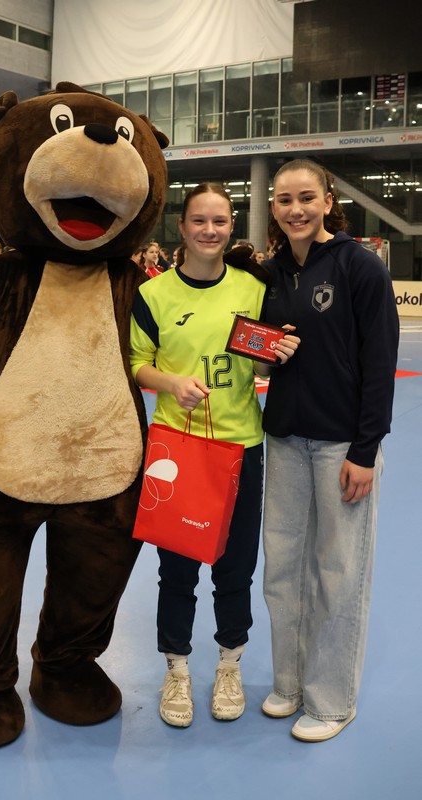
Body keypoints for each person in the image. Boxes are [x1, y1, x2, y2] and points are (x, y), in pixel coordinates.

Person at [130, 182, 296, 728]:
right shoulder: (154, 294)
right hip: (177, 450)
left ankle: (229, 664)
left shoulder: (253, 287)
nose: (209, 230)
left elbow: (262, 363)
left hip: (241, 447)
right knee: (176, 569)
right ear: (181, 228)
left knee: (235, 567)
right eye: (199, 220)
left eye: (220, 221)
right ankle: (176, 668)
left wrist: (277, 351)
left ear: (231, 227)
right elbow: (136, 363)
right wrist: (171, 383)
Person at [259, 159, 399, 742]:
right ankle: (291, 682)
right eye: (284, 199)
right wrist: (264, 353)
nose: (295, 209)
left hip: (342, 443)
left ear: (327, 201)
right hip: (285, 440)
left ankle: (333, 699)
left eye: (305, 198)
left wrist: (366, 449)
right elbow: (260, 351)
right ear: (272, 206)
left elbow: (380, 363)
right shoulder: (270, 274)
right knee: (283, 568)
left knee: (337, 572)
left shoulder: (358, 266)